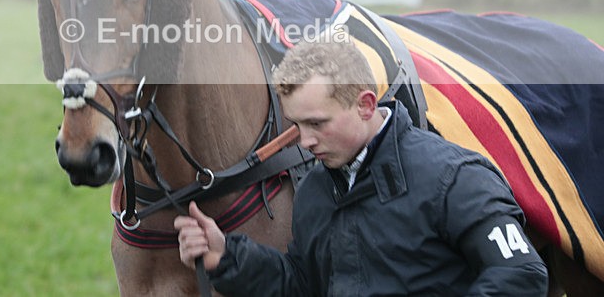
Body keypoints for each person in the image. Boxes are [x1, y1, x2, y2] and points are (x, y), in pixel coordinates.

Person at [174, 39, 548, 295]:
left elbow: (521, 274)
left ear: (366, 105)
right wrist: (229, 258)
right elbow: (304, 285)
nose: (304, 142)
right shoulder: (316, 190)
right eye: (297, 126)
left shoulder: (455, 177)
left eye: (317, 124)